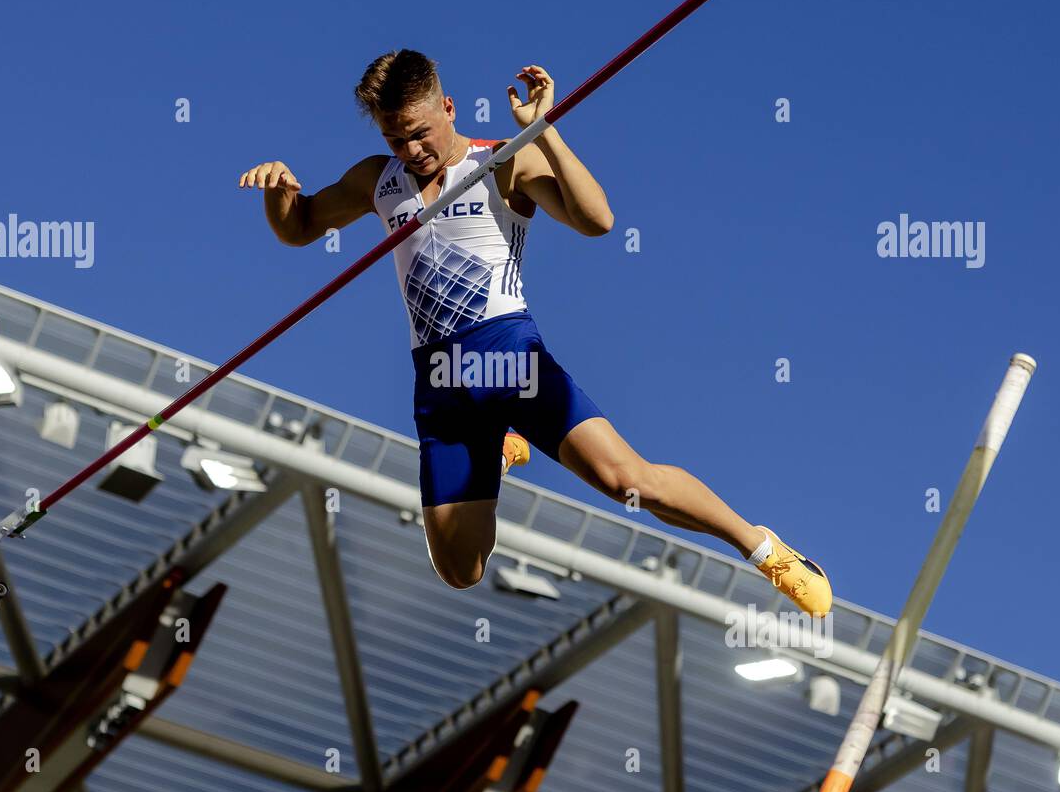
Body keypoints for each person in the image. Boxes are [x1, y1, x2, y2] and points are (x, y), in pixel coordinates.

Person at [239, 50, 831, 616]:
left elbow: (597, 220)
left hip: (506, 354)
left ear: (447, 109)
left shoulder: (502, 161)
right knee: (459, 568)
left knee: (623, 479)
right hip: (439, 381)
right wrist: (280, 195)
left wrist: (543, 128)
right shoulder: (379, 179)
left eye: (420, 131)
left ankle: (762, 547)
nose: (412, 149)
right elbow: (303, 226)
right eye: (396, 138)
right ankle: (499, 448)